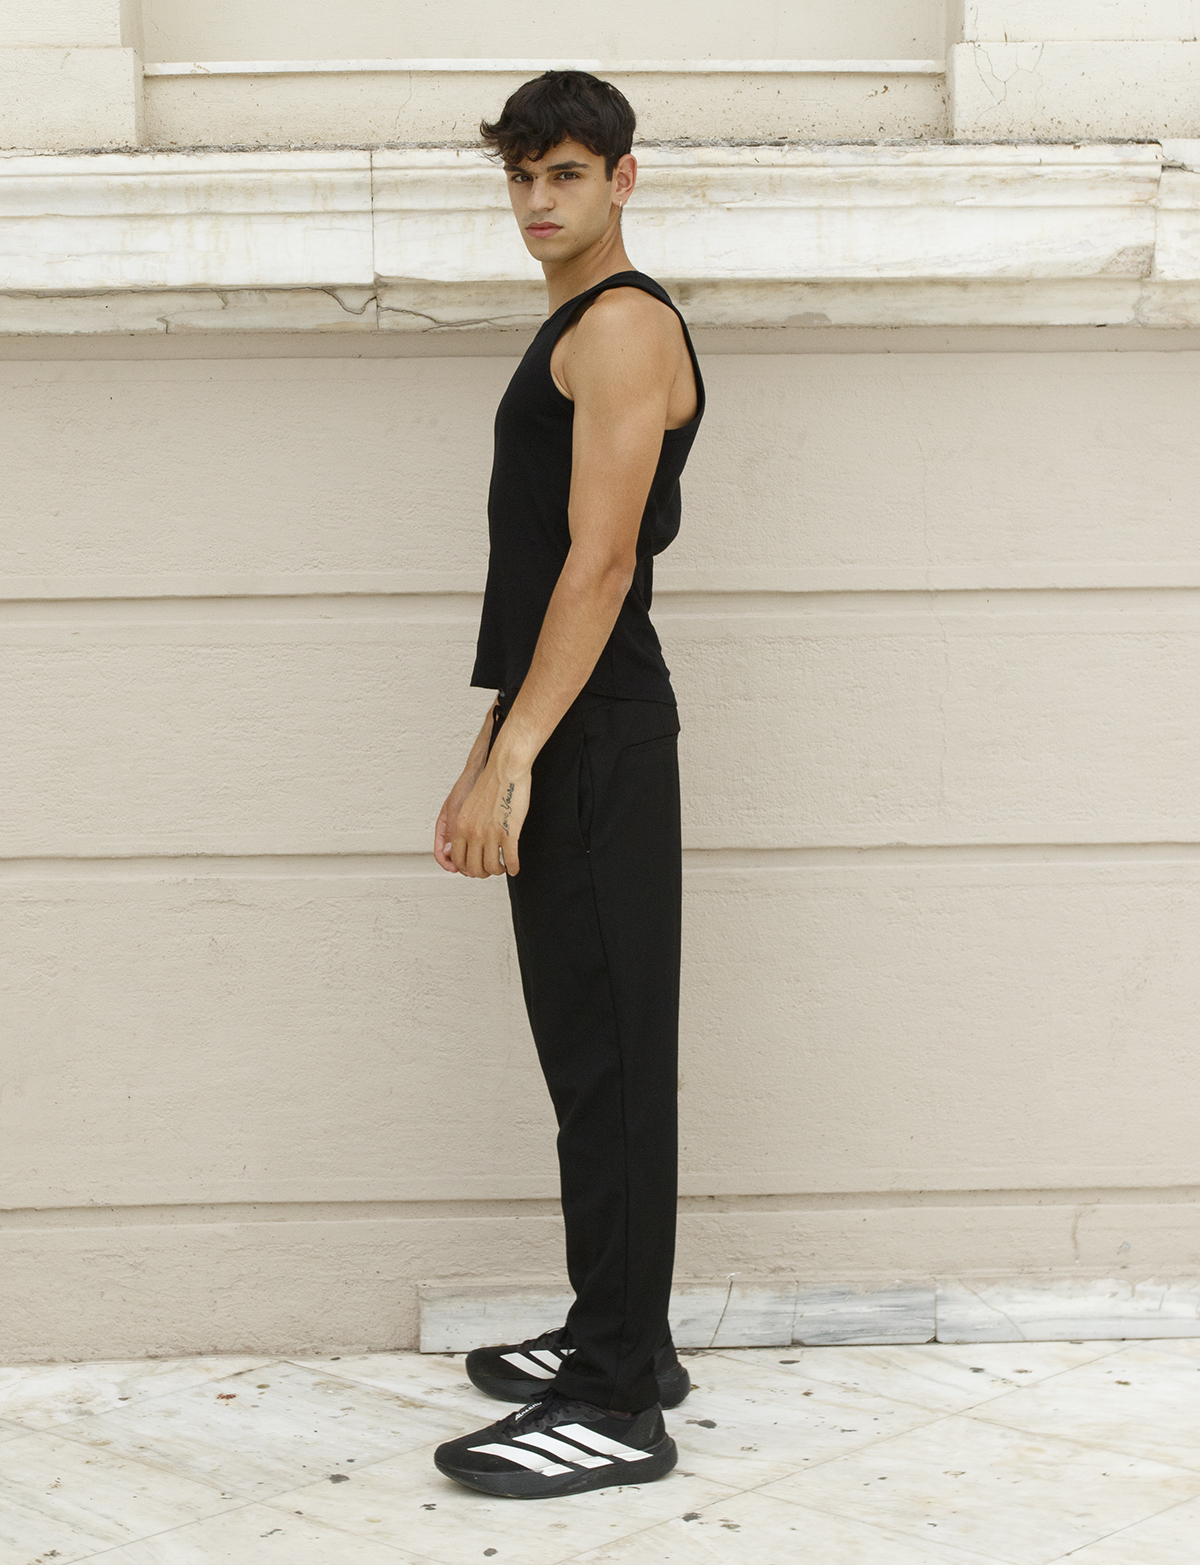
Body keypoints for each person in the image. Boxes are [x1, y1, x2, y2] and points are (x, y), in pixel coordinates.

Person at [431, 70, 705, 1500]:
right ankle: (623, 1338)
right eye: (522, 176)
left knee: (613, 1068)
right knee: (588, 1060)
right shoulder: (576, 326)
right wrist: (489, 747)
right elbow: (541, 571)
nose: (540, 202)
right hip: (564, 727)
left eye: (568, 175)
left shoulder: (623, 327)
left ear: (622, 180)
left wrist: (523, 754)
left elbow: (600, 566)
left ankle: (616, 1402)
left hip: (596, 739)